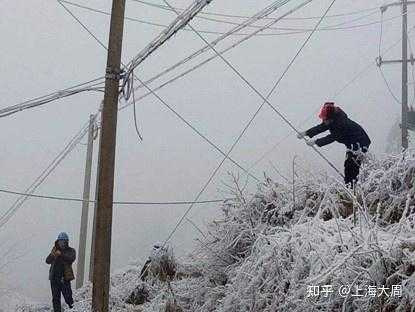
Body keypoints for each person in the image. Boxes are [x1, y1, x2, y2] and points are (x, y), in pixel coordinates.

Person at [297, 102, 371, 187]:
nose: (324, 121)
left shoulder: (341, 123)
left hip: (360, 142)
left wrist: (315, 142)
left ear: (330, 118)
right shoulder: (332, 119)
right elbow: (321, 127)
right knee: (349, 165)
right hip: (351, 143)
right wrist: (306, 133)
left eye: (325, 119)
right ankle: (350, 183)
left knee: (351, 165)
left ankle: (352, 187)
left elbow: (331, 137)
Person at [45, 232, 76, 312]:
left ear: (67, 242)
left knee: (68, 298)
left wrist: (61, 254)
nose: (61, 243)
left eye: (63, 241)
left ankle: (74, 310)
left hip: (65, 279)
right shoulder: (54, 250)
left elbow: (71, 258)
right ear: (57, 242)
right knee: (55, 299)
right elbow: (47, 261)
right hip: (54, 279)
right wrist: (53, 254)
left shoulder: (71, 250)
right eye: (60, 241)